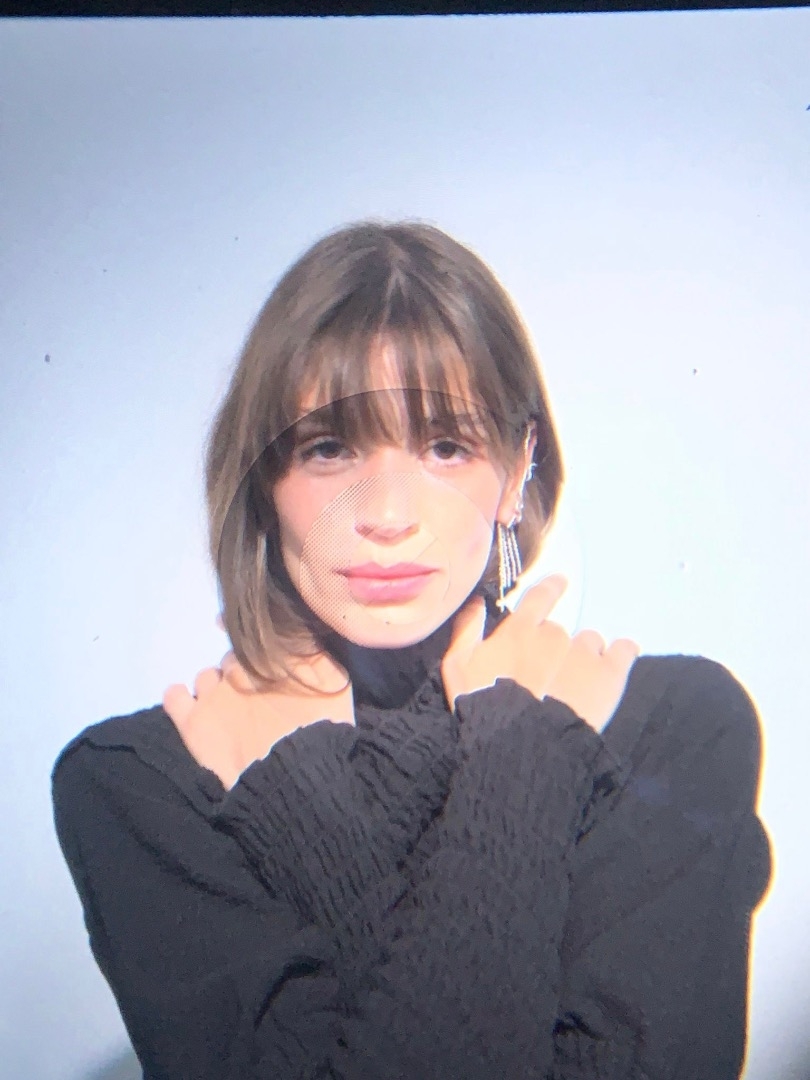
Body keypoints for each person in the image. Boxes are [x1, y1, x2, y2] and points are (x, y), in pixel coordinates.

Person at [52, 220, 772, 1080]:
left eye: (445, 447)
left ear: (517, 468)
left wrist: (513, 747)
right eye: (328, 449)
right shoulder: (140, 779)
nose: (387, 515)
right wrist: (514, 760)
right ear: (262, 477)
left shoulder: (670, 727)